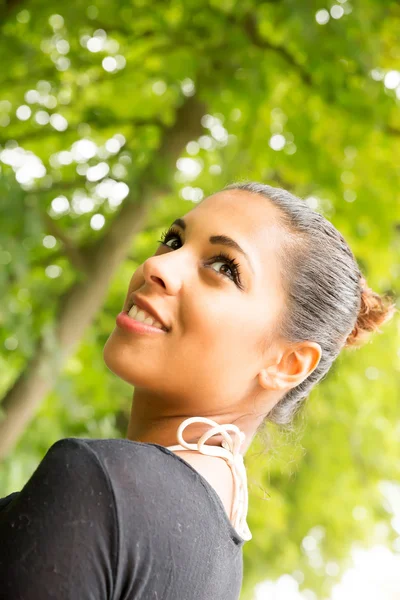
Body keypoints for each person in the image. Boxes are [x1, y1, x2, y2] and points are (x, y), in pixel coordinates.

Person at [0, 182, 396, 599]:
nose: (160, 266)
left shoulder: (98, 487)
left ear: (287, 364)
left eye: (225, 267)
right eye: (172, 241)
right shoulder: (219, 567)